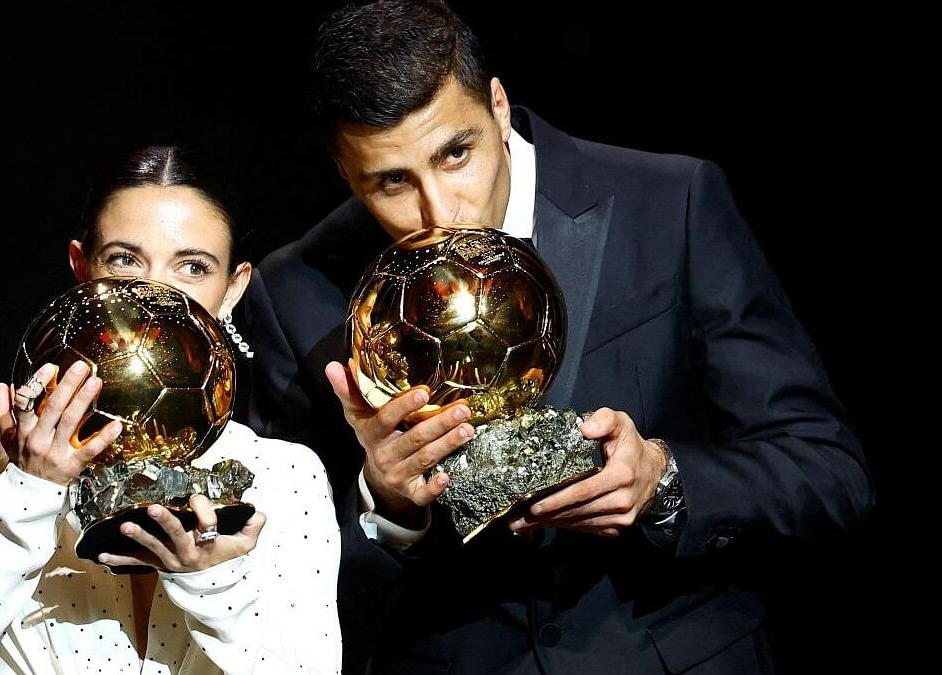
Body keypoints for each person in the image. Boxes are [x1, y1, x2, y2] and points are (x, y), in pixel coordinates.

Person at [241, 1, 875, 673]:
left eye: (456, 154)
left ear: (500, 106)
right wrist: (386, 507)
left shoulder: (670, 202)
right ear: (345, 173)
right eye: (391, 181)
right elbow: (279, 599)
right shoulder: (295, 291)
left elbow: (829, 470)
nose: (438, 211)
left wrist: (663, 478)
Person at [0, 146, 342, 674]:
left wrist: (212, 584)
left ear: (233, 288)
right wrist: (31, 491)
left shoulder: (285, 473)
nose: (154, 293)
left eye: (193, 266)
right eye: (125, 259)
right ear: (83, 268)